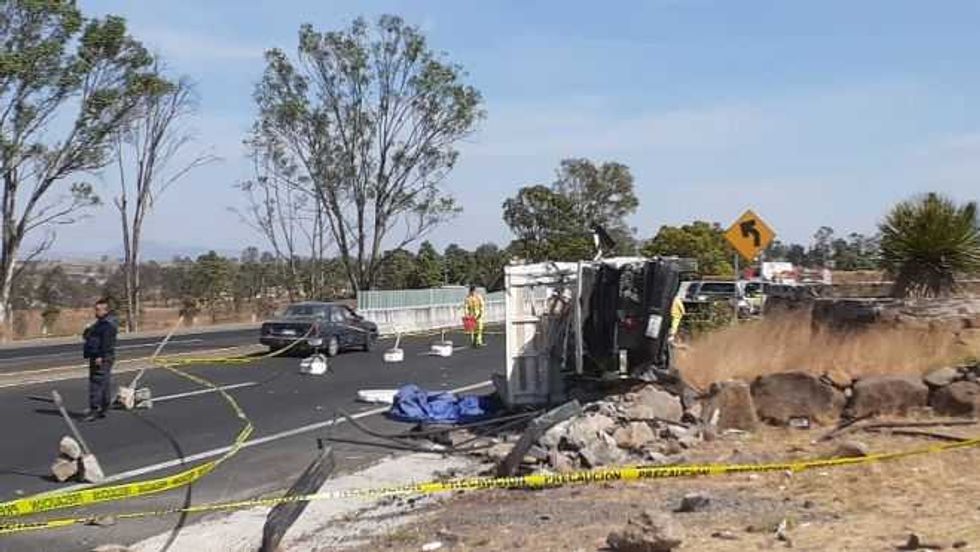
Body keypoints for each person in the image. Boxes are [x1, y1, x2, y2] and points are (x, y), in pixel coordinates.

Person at [82, 298, 118, 421]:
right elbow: (87, 336)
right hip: (97, 355)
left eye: (98, 310)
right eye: (95, 309)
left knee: (96, 383)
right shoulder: (99, 324)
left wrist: (100, 356)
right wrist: (88, 329)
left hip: (101, 357)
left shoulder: (108, 325)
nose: (96, 312)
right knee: (103, 382)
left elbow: (107, 343)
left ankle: (95, 409)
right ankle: (104, 407)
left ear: (106, 310)